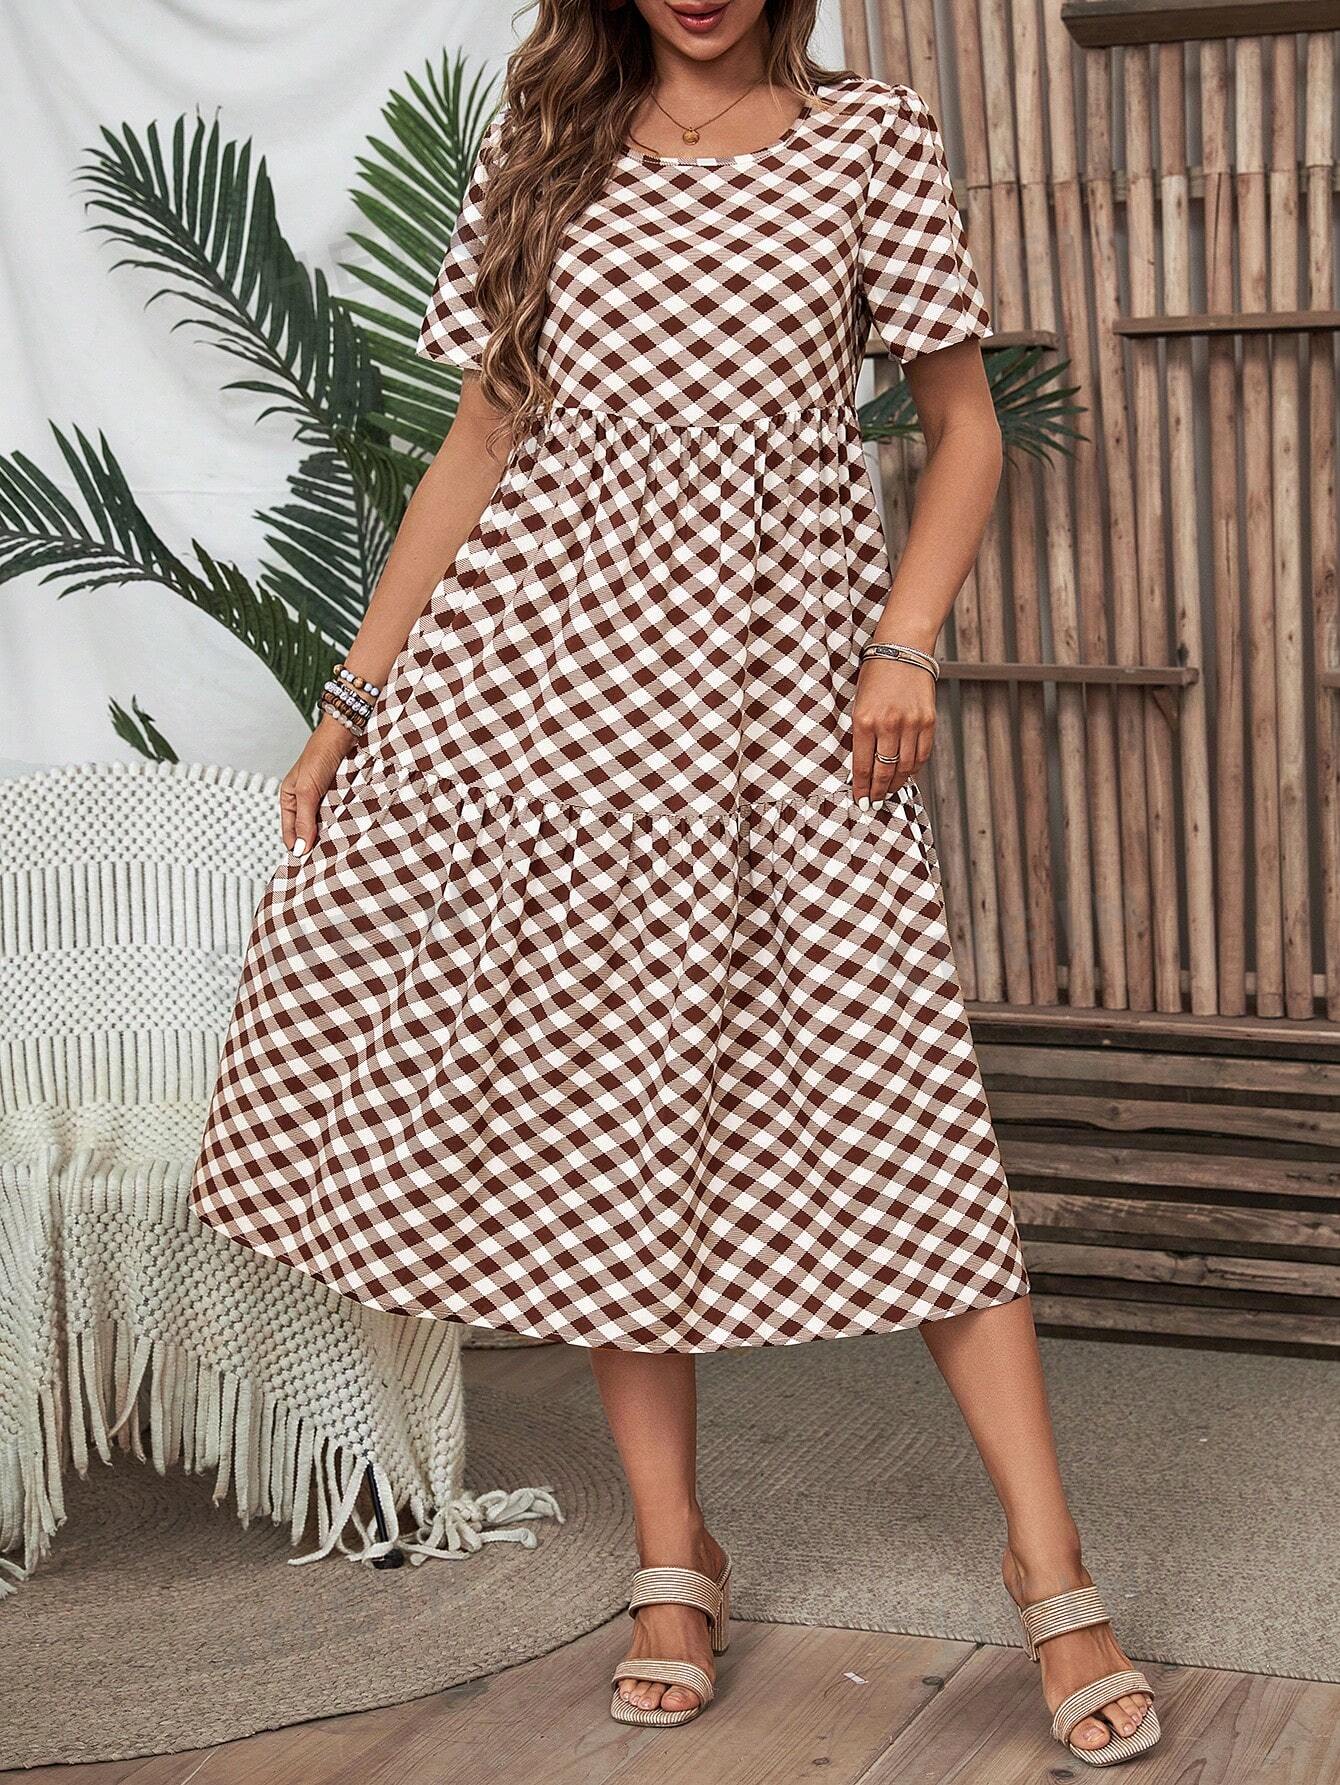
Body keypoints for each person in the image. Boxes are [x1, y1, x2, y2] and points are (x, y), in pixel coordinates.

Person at [189, 0, 1160, 1764]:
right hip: (542, 703)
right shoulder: (545, 140)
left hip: (780, 699)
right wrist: (354, 697)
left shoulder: (872, 140)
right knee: (608, 1119)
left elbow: (967, 429)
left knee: (904, 1108)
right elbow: (482, 441)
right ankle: (672, 1557)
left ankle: (1052, 1559)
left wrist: (906, 643)